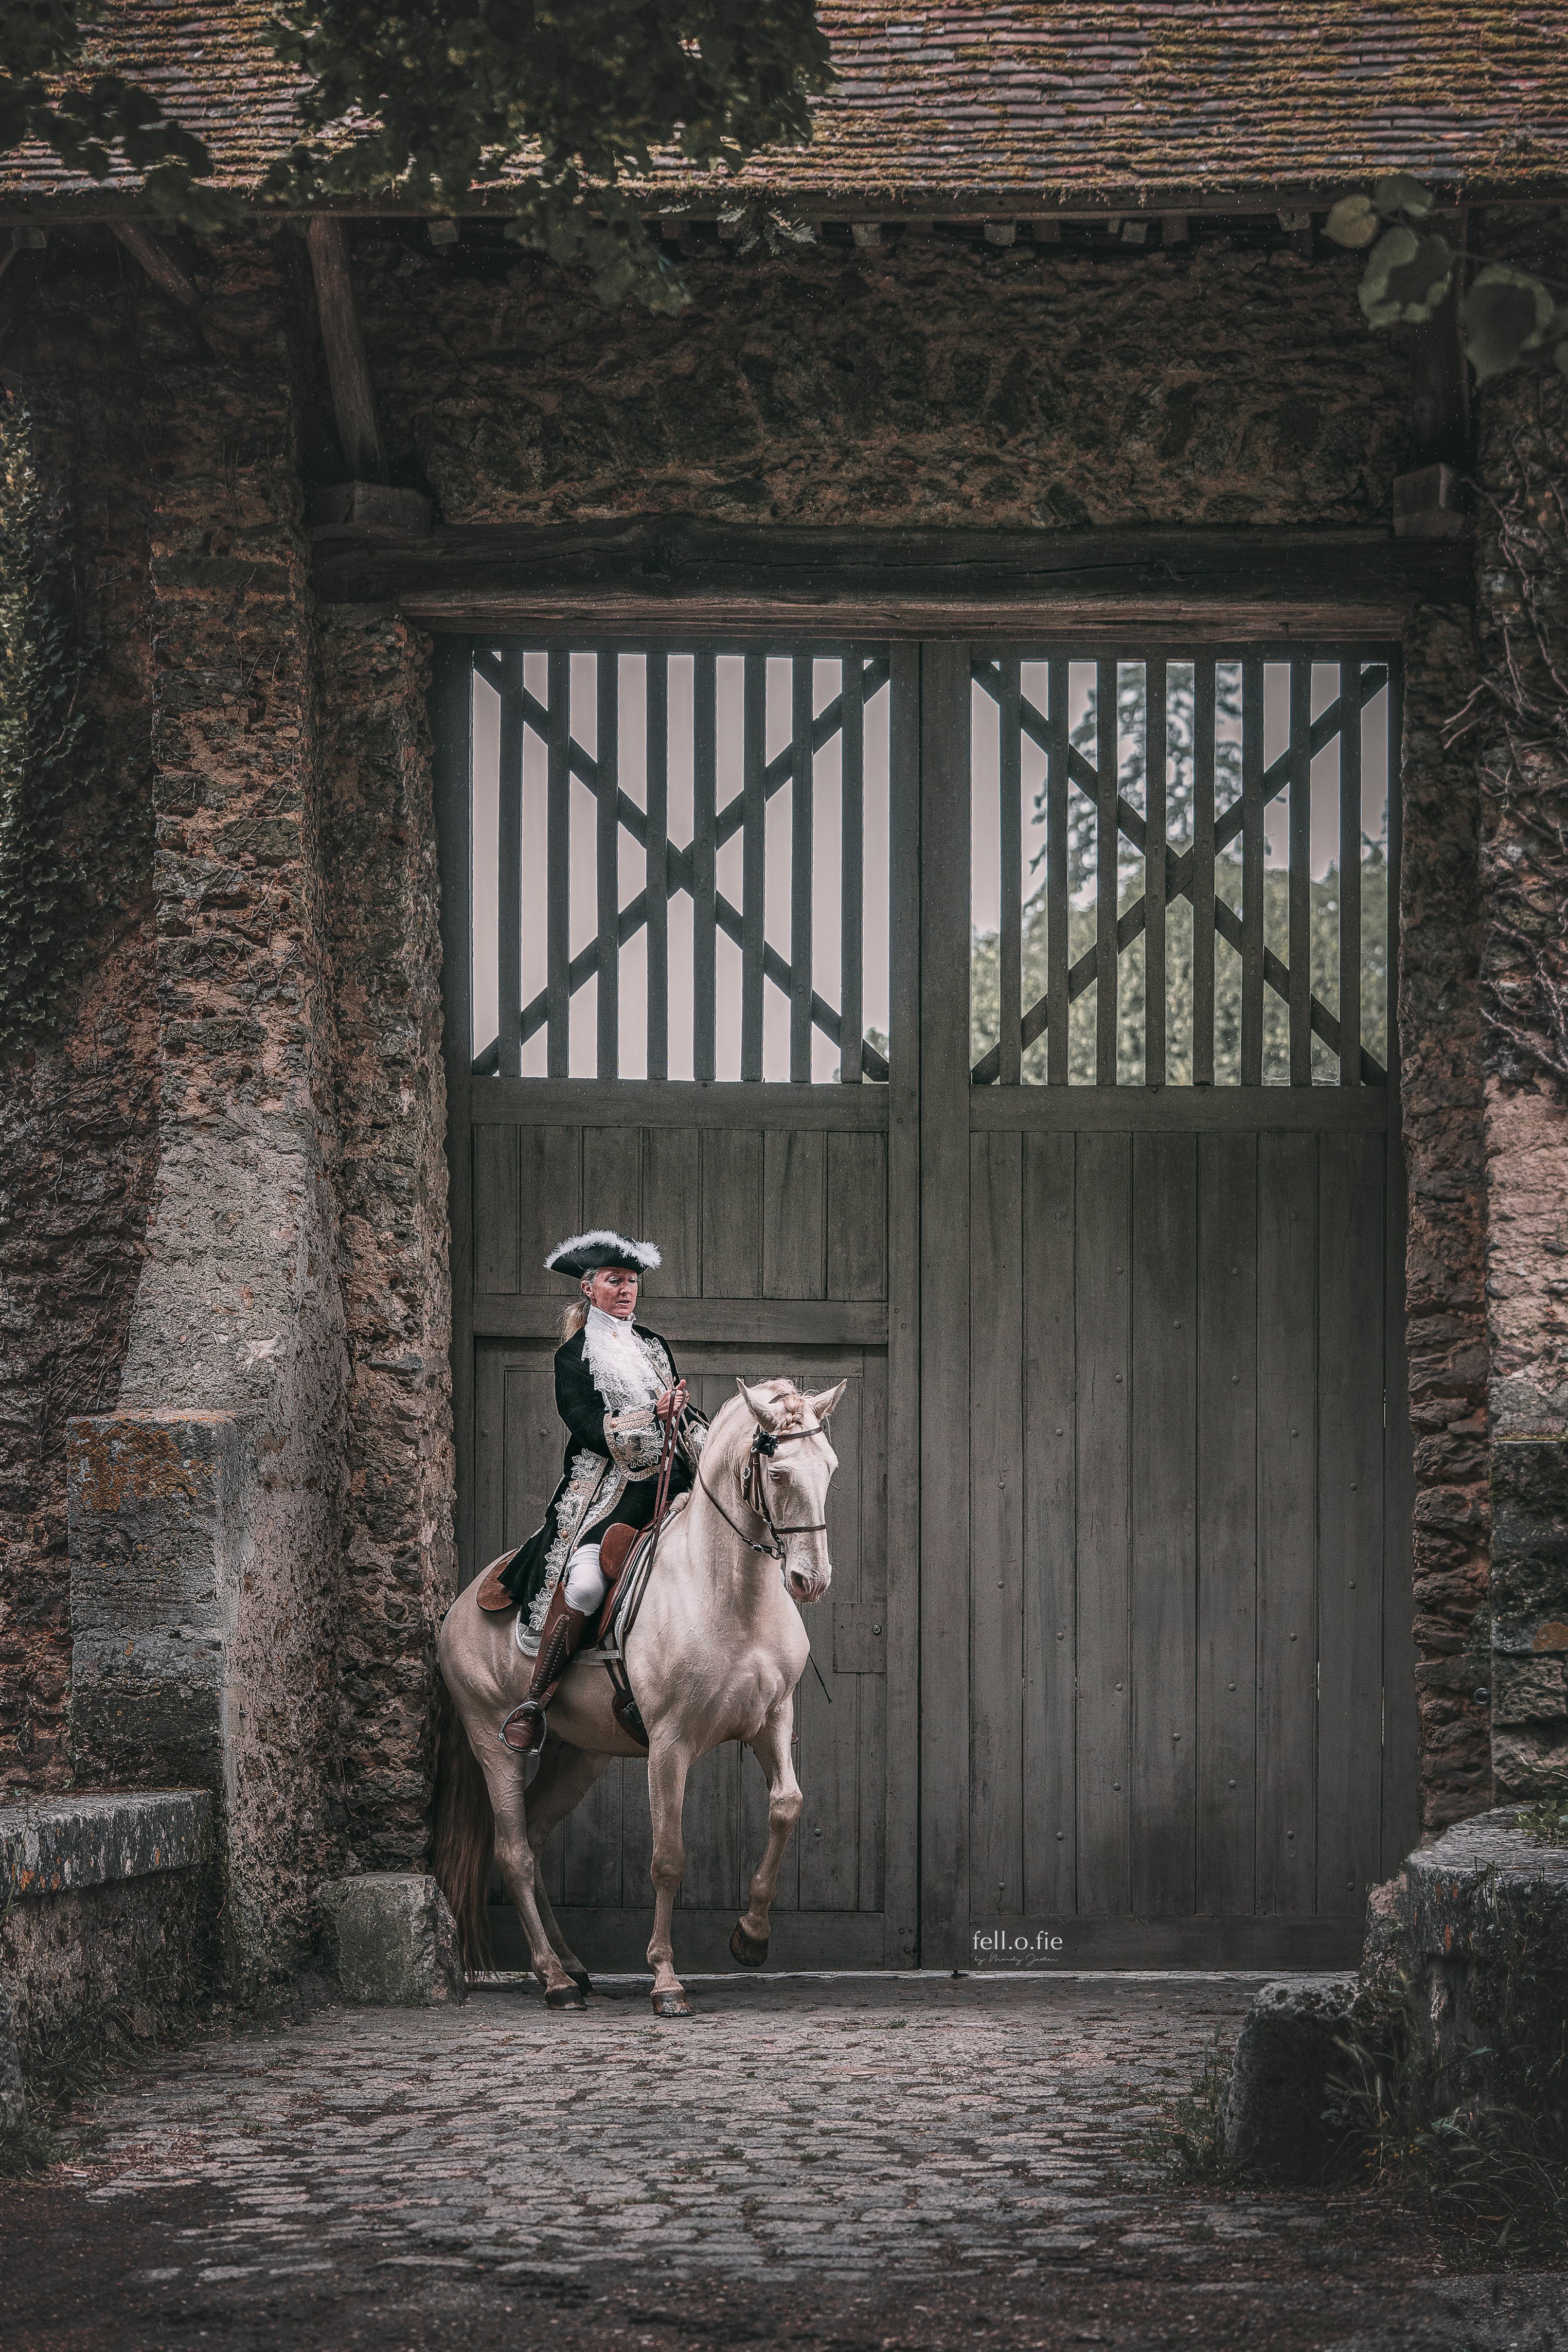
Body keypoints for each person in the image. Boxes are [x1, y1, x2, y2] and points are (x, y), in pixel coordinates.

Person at [496, 1229, 703, 1753]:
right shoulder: (573, 1356)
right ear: (589, 1289)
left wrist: (707, 1439)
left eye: (632, 1282)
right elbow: (587, 1425)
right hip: (609, 1487)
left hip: (671, 1475)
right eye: (615, 1281)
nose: (627, 1290)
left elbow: (677, 1408)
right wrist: (648, 1415)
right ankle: (535, 1700)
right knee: (586, 1584)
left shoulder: (653, 1344)